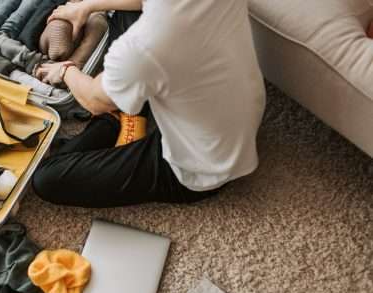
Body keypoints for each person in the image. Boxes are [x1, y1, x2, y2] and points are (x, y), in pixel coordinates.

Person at [32, 0, 266, 208]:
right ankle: (126, 107)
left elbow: (93, 100)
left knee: (46, 177)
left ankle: (113, 120)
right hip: (238, 114)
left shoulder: (141, 47)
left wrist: (65, 71)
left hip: (202, 166)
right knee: (126, 15)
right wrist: (88, 5)